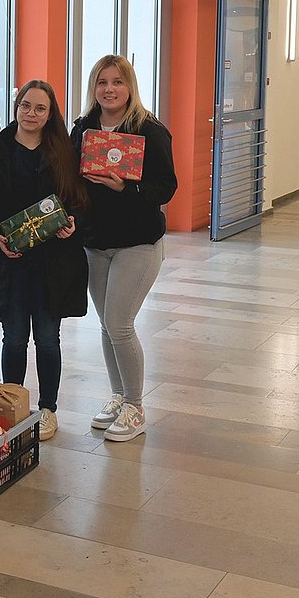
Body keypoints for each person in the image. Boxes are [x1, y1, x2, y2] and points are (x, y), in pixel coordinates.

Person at [71, 54, 177, 441]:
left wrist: (126, 188)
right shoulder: (83, 128)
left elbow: (166, 187)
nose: (109, 89)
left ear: (130, 86)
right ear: (93, 87)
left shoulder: (149, 130)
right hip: (95, 242)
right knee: (107, 325)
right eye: (102, 82)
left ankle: (135, 406)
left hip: (138, 242)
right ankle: (118, 396)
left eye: (117, 82)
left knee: (119, 323)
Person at [0, 80, 88, 441]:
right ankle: (12, 406)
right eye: (26, 105)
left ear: (50, 113)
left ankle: (47, 409)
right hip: (11, 263)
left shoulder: (64, 150)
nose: (31, 114)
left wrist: (72, 223)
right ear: (17, 106)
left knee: (48, 338)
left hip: (52, 263)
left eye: (41, 108)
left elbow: (78, 201)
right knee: (13, 338)